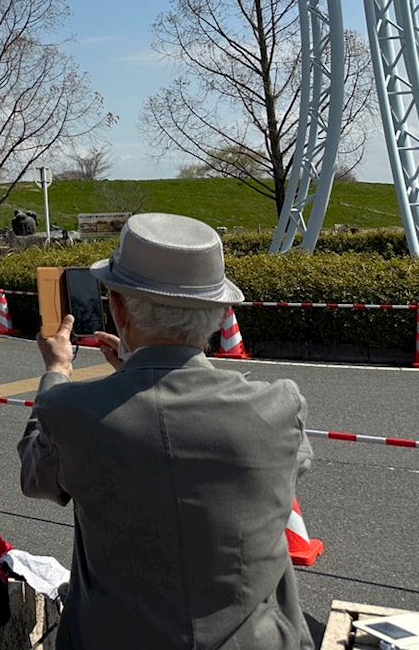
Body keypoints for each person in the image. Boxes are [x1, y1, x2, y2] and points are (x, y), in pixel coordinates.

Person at [18, 213, 312, 650]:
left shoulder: (71, 412)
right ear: (218, 314)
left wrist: (57, 372)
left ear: (118, 309)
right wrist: (141, 374)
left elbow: (35, 476)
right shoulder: (277, 406)